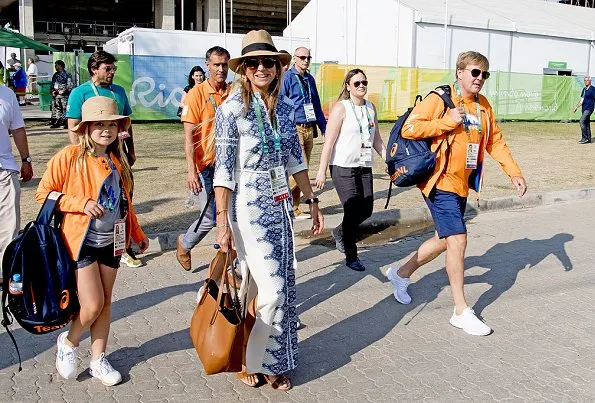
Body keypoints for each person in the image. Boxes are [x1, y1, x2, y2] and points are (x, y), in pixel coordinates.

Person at [385, 51, 527, 336]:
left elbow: (495, 140)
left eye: (485, 74)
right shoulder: (441, 98)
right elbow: (412, 127)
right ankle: (461, 310)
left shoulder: (483, 106)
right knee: (458, 240)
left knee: (444, 239)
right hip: (440, 182)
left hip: (462, 184)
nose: (480, 79)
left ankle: (400, 274)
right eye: (475, 72)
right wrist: (447, 122)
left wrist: (514, 172)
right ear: (460, 72)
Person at [214, 30, 324, 391]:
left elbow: (295, 160)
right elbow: (224, 171)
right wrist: (221, 223)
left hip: (280, 208)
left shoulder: (283, 109)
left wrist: (311, 200)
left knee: (268, 285)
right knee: (273, 288)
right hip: (247, 211)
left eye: (269, 62)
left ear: (278, 67)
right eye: (254, 63)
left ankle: (266, 357)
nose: (262, 68)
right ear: (243, 69)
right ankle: (257, 359)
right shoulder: (231, 110)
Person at [35, 96, 149, 386]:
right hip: (80, 242)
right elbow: (43, 193)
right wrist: (80, 203)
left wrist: (136, 233)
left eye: (112, 124)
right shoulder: (69, 156)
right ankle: (69, 342)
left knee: (106, 302)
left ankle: (98, 358)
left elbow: (123, 204)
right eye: (99, 124)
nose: (106, 130)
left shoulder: (116, 160)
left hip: (113, 241)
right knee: (93, 304)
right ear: (86, 128)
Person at [66, 50, 141, 268]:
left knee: (123, 200)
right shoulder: (80, 93)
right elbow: (73, 127)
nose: (112, 73)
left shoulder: (118, 91)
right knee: (99, 198)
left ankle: (123, 247)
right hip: (91, 155)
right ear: (94, 69)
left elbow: (127, 125)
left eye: (114, 69)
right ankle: (88, 246)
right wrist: (79, 154)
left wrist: (131, 150)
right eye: (108, 69)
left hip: (118, 154)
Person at [315, 69, 385, 272]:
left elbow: (377, 140)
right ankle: (351, 254)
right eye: (357, 83)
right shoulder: (341, 108)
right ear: (348, 86)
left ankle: (340, 232)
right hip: (342, 166)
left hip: (363, 166)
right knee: (353, 209)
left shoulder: (371, 108)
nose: (362, 86)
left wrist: (390, 161)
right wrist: (321, 170)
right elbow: (329, 142)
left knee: (367, 209)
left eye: (364, 82)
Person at [176, 47, 230, 271]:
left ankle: (227, 264)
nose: (221, 69)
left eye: (225, 65)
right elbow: (188, 137)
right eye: (216, 64)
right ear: (207, 65)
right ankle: (185, 244)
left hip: (230, 165)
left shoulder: (233, 91)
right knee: (210, 216)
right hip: (207, 166)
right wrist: (192, 171)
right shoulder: (196, 94)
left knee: (230, 215)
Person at [281, 46, 326, 220]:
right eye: (302, 57)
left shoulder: (310, 79)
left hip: (309, 128)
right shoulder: (287, 78)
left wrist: (324, 128)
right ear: (294, 58)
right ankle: (277, 197)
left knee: (302, 169)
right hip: (295, 128)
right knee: (301, 169)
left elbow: (316, 105)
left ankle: (295, 208)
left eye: (308, 57)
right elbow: (282, 105)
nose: (305, 60)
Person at [0, 85, 33, 282]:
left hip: (4, 170)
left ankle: (6, 274)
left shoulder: (7, 94)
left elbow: (18, 129)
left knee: (9, 226)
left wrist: (26, 160)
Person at [49, 60, 74, 128]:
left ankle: (66, 122)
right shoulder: (55, 75)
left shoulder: (67, 74)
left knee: (65, 108)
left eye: (56, 65)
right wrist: (52, 91)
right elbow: (53, 84)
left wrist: (64, 91)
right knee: (57, 108)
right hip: (56, 95)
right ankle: (58, 121)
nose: (55, 66)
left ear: (60, 66)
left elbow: (70, 85)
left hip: (64, 95)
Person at [573, 75, 595, 144]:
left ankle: (584, 138)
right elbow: (581, 100)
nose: (586, 81)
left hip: (589, 108)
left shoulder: (593, 89)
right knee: (586, 123)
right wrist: (576, 107)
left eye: (587, 80)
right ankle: (588, 139)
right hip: (584, 109)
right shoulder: (584, 89)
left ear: (590, 81)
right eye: (584, 80)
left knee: (581, 121)